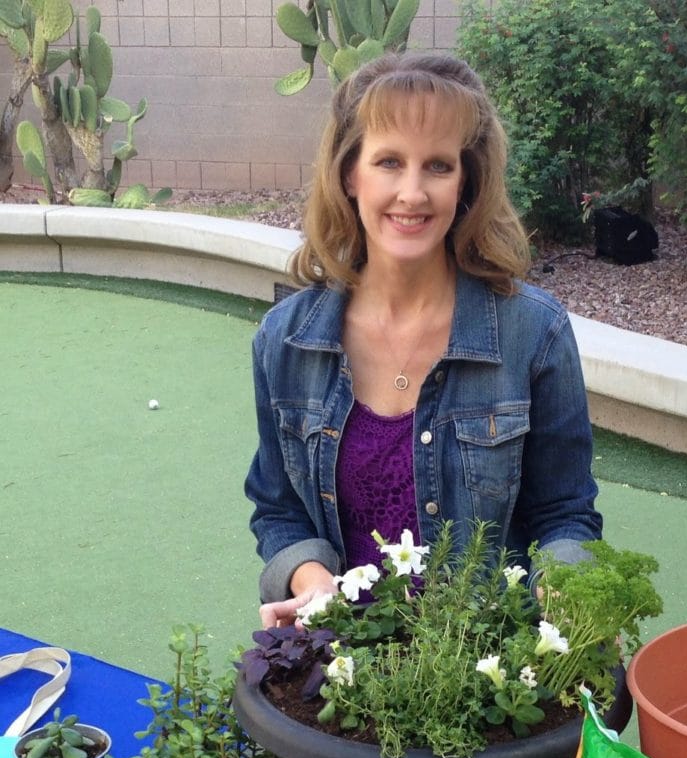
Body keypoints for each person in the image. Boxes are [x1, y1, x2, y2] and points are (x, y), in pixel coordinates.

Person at [246, 52, 602, 629]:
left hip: (485, 666)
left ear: (466, 183)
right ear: (349, 174)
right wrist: (312, 584)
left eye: (437, 166)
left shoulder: (533, 334)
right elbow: (279, 511)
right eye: (389, 162)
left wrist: (565, 588)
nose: (412, 193)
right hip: (344, 667)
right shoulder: (285, 342)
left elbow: (565, 513)